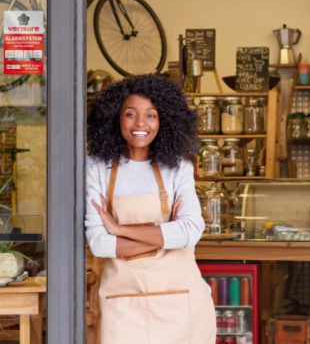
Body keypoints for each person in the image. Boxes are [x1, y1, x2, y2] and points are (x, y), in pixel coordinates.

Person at [85, 74, 216, 343]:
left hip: (182, 307)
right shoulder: (97, 168)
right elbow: (99, 244)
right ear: (115, 118)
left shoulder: (179, 167)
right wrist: (167, 238)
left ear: (164, 121)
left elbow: (191, 232)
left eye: (151, 115)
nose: (141, 124)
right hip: (122, 306)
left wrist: (120, 230)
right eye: (130, 114)